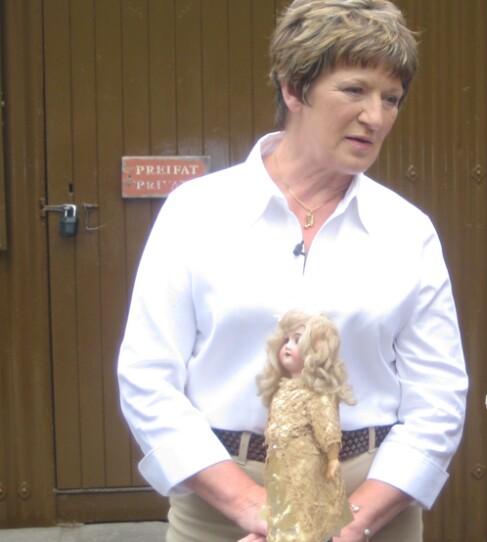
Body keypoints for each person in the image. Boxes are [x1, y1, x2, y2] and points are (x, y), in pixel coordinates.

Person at [117, 1, 469, 541]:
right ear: (292, 88)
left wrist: (354, 524)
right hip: (221, 504)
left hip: (370, 502)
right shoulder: (196, 212)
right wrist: (253, 506)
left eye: (391, 99)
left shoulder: (407, 231)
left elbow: (439, 397)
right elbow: (146, 379)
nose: (375, 117)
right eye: (354, 90)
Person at [255, 311, 356, 542]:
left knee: (305, 505)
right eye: (286, 340)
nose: (288, 346)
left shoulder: (317, 393)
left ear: (316, 350)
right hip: (282, 461)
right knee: (283, 504)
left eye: (297, 340)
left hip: (305, 462)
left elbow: (327, 424)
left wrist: (332, 458)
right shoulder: (285, 386)